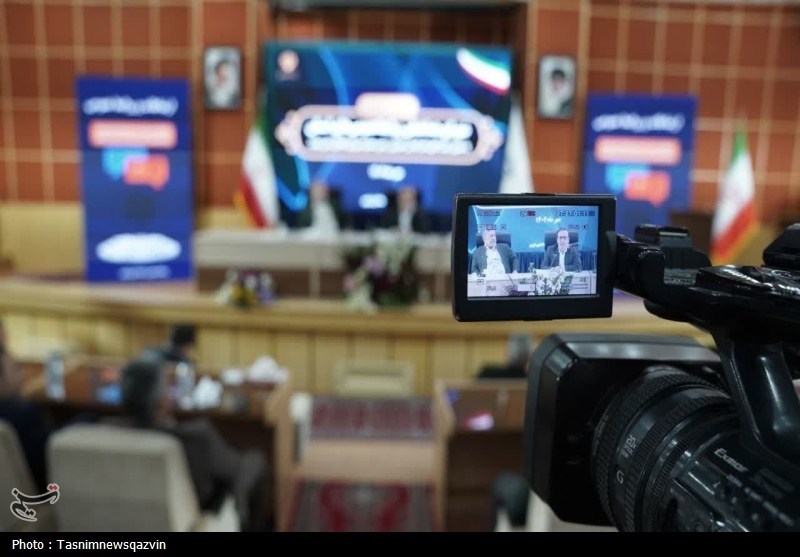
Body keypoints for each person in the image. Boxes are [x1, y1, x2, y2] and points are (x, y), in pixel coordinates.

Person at [110, 356, 271, 531]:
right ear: (163, 401)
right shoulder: (196, 438)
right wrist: (241, 497)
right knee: (255, 460)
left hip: (125, 523)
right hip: (194, 521)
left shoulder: (105, 433)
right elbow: (238, 470)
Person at [0, 323, 52, 492]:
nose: (22, 375)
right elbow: (48, 468)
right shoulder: (24, 415)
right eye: (16, 368)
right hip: (39, 500)